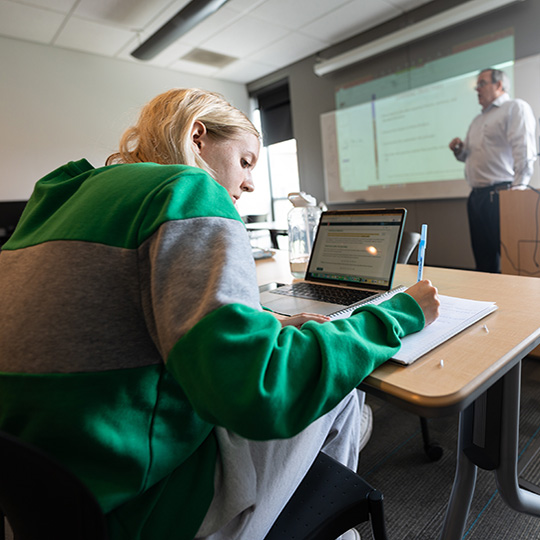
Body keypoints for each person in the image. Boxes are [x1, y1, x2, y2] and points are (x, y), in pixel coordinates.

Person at [0, 88, 440, 540]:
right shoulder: (187, 189)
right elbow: (259, 390)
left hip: (46, 500)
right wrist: (395, 314)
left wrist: (262, 326)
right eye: (246, 162)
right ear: (197, 137)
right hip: (147, 512)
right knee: (344, 387)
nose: (250, 184)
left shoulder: (59, 196)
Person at [449, 67, 537, 273]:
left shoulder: (514, 108)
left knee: (511, 263)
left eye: (482, 83)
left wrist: (518, 190)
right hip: (476, 198)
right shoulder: (477, 120)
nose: (477, 89)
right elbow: (467, 157)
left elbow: (524, 149)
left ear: (499, 85)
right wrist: (459, 150)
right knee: (483, 262)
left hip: (502, 195)